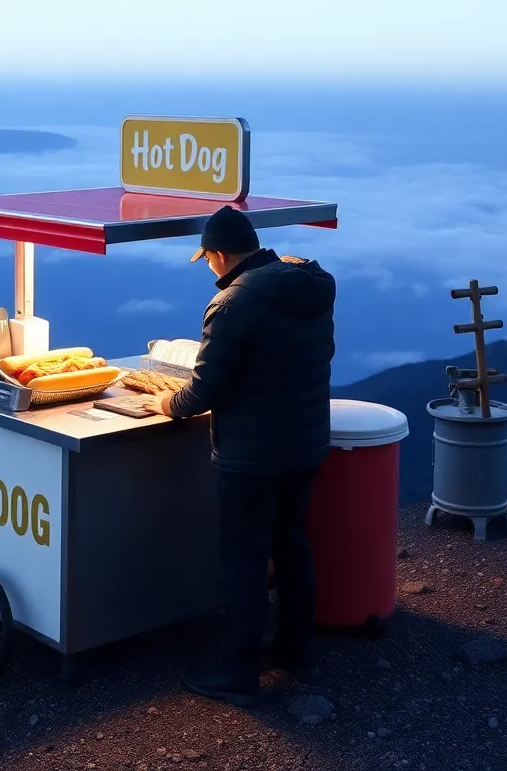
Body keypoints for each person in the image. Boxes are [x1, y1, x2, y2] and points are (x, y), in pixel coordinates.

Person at [139, 205, 336, 707]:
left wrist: (163, 402)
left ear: (220, 255)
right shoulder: (308, 285)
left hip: (253, 455)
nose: (209, 268)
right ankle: (297, 652)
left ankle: (240, 672)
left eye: (207, 260)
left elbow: (204, 391)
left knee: (244, 561)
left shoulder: (231, 305)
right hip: (305, 442)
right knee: (292, 544)